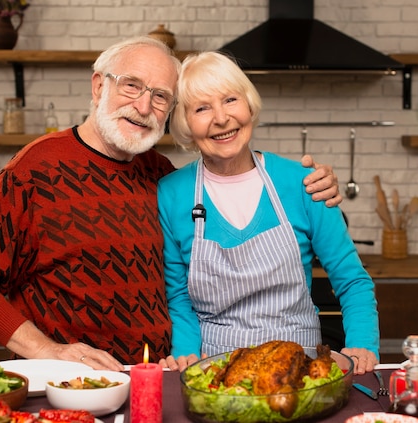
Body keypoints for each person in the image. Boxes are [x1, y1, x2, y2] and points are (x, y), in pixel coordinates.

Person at [0, 37, 341, 370]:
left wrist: (317, 184)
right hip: (73, 384)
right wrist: (45, 350)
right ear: (99, 86)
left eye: (161, 96)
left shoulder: (160, 173)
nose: (144, 106)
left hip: (158, 376)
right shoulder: (36, 168)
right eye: (131, 85)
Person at [157, 51, 379, 374]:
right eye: (202, 108)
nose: (221, 118)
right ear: (185, 124)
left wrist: (362, 343)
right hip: (216, 371)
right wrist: (186, 355)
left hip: (299, 367)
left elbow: (352, 280)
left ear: (249, 106)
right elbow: (179, 299)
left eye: (230, 100)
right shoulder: (171, 194)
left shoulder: (304, 183)